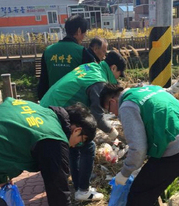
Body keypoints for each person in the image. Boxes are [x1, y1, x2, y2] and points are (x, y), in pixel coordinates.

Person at [99, 83, 179, 206]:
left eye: (110, 110)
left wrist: (124, 173)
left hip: (176, 150)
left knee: (139, 192)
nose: (114, 114)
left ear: (112, 101)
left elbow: (138, 149)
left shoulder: (127, 106)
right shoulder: (152, 89)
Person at [0, 97, 97, 206]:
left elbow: (3, 132)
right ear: (77, 130)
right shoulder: (53, 138)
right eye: (81, 141)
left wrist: (3, 174)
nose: (75, 146)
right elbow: (59, 193)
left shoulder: (39, 111)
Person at [40, 50, 126, 201]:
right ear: (113, 68)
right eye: (119, 73)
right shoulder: (99, 82)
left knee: (75, 146)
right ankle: (83, 191)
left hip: (48, 106)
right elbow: (98, 116)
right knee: (88, 145)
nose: (118, 78)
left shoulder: (92, 67)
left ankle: (79, 183)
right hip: (56, 110)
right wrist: (114, 134)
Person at [37, 15, 95, 100]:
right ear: (79, 31)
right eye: (84, 33)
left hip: (52, 103)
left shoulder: (48, 51)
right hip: (75, 105)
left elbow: (43, 82)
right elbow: (92, 82)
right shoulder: (83, 53)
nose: (84, 37)